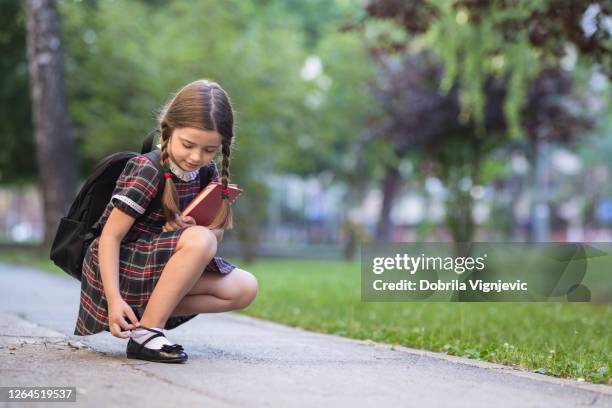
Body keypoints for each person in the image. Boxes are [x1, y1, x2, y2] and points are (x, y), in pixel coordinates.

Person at [74, 79, 258, 363]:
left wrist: (189, 230)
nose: (196, 156)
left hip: (158, 268)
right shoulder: (148, 168)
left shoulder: (207, 173)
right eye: (188, 144)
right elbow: (109, 238)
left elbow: (214, 235)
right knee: (200, 239)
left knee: (244, 288)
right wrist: (113, 299)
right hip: (121, 268)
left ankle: (147, 317)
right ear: (168, 130)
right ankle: (147, 332)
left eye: (209, 150)